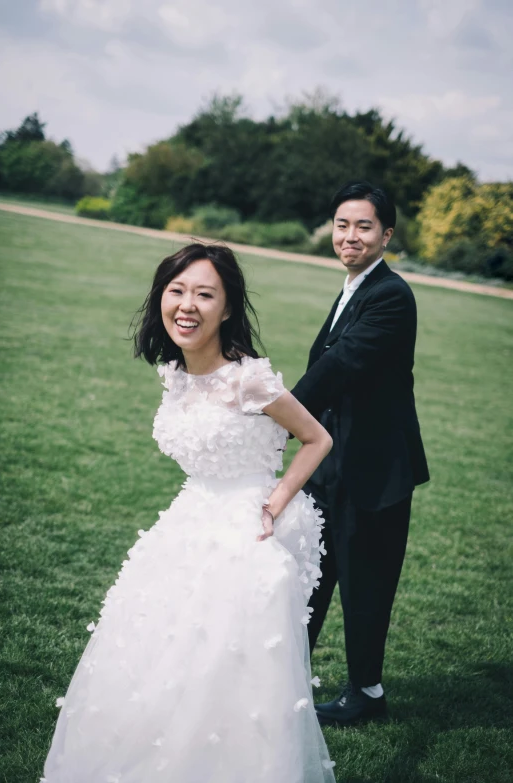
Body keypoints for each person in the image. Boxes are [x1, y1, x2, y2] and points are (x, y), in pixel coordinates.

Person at [42, 243, 336, 782]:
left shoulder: (250, 379)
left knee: (224, 670)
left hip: (244, 534)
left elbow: (317, 438)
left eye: (205, 294)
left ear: (226, 308)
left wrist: (274, 501)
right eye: (176, 291)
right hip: (186, 523)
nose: (187, 304)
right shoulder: (175, 372)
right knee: (156, 656)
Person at [291, 181, 429, 727]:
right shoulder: (353, 286)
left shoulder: (391, 294)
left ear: (386, 234)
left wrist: (276, 416)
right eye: (342, 225)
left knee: (365, 582)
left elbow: (340, 365)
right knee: (311, 572)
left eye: (364, 226)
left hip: (375, 469)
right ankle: (287, 675)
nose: (350, 236)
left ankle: (366, 694)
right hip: (331, 461)